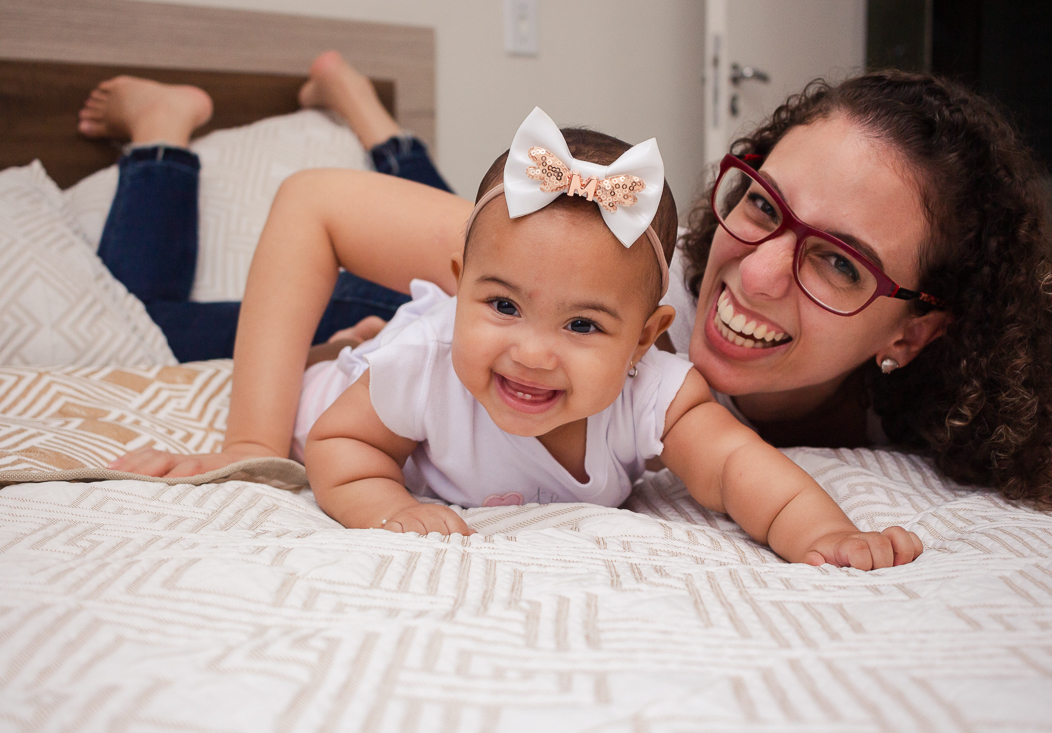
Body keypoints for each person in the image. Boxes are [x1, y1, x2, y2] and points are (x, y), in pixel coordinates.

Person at [107, 67, 1052, 510]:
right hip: (415, 314)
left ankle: (373, 117)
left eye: (840, 262)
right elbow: (314, 204)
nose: (755, 271)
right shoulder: (571, 258)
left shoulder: (917, 423)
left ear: (917, 334)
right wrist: (250, 445)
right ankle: (162, 139)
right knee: (144, 324)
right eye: (762, 203)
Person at [284, 108, 922, 569]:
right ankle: (356, 344)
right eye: (503, 304)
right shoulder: (426, 367)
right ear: (459, 291)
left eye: (582, 325)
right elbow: (340, 440)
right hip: (346, 389)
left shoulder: (653, 396)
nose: (533, 353)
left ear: (645, 341)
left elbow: (737, 468)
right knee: (334, 384)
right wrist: (384, 503)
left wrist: (820, 532)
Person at [77, 51, 449, 362]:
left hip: (438, 291)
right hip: (422, 309)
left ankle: (361, 104)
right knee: (136, 322)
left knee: (472, 236)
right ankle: (160, 126)